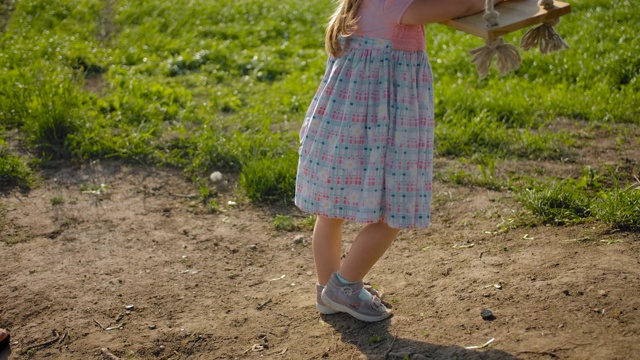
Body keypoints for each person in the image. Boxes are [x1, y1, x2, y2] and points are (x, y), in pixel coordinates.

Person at [295, 0, 503, 322]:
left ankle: (327, 293)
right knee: (396, 209)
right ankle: (344, 287)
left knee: (330, 211)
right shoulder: (394, 3)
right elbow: (463, 5)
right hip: (384, 122)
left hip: (347, 126)